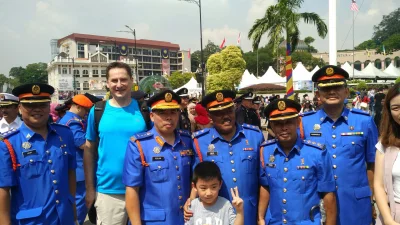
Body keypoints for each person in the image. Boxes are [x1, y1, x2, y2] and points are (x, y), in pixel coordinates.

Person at [301, 65, 378, 225]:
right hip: (317, 202)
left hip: (356, 204)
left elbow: (372, 164)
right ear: (318, 94)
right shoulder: (304, 122)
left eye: (337, 87)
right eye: (326, 89)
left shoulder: (364, 121)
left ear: (346, 92)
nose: (331, 92)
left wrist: (372, 199)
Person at [0, 83, 78, 225]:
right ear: (19, 108)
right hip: (31, 221)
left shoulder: (64, 134)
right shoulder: (9, 144)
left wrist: (72, 209)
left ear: (49, 106)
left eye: (42, 105)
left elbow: (70, 172)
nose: (37, 109)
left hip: (63, 217)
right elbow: (3, 191)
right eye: (29, 105)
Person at [185, 90, 264, 225]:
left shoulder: (254, 136)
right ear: (210, 117)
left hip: (248, 212)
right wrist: (191, 201)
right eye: (218, 113)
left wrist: (261, 216)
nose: (225, 116)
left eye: (229, 111)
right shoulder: (200, 141)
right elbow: (197, 177)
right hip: (216, 215)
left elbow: (264, 180)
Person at [84, 62, 147, 225]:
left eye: (123, 80)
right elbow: (89, 150)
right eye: (114, 80)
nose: (119, 85)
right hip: (109, 192)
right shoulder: (97, 110)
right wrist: (90, 189)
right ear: (107, 83)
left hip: (143, 190)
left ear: (132, 81)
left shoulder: (144, 110)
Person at [258, 98, 337, 225]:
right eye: (278, 123)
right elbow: (265, 185)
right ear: (271, 126)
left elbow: (328, 194)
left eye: (288, 122)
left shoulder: (316, 152)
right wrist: (260, 218)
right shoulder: (265, 151)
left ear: (298, 122)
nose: (284, 128)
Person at [123, 90, 193, 224]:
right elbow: (132, 189)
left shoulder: (187, 140)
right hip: (153, 221)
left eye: (173, 112)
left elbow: (194, 179)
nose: (169, 117)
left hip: (186, 219)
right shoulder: (139, 145)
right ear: (152, 116)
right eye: (162, 113)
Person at [58, 94, 93, 225]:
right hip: (78, 170)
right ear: (78, 107)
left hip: (74, 169)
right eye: (85, 110)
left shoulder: (66, 119)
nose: (86, 114)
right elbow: (82, 143)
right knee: (80, 203)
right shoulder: (72, 122)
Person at [374, 83, 400, 225]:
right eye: (395, 108)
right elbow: (378, 185)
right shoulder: (384, 144)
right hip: (394, 215)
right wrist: (389, 221)